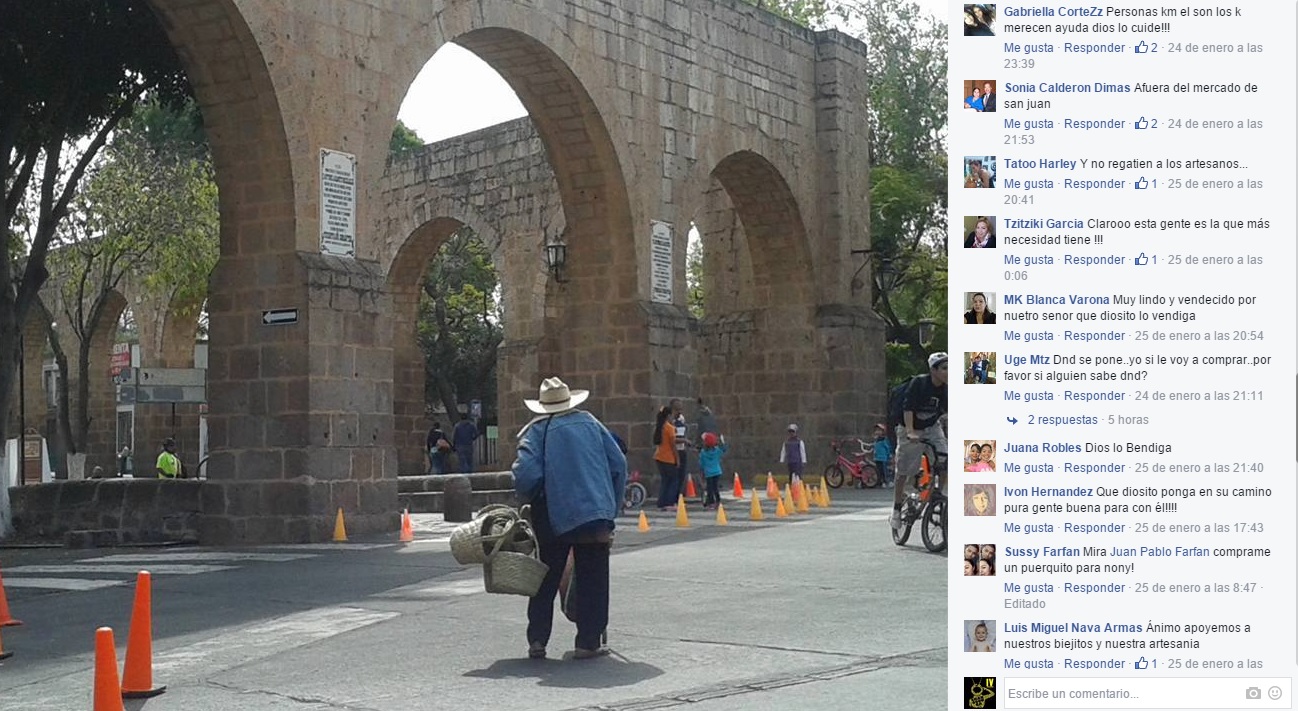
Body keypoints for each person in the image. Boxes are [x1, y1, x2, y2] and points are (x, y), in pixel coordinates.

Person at [512, 377, 626, 661]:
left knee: (545, 576)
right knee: (593, 576)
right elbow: (619, 465)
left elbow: (526, 475)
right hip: (594, 511)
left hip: (551, 513)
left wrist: (528, 497)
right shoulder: (591, 423)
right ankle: (588, 642)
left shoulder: (536, 431)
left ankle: (537, 639)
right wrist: (611, 504)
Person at [891, 353, 949, 534]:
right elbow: (908, 408)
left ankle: (938, 493)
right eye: (944, 368)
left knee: (944, 457)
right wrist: (910, 431)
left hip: (932, 427)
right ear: (933, 370)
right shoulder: (919, 383)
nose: (949, 372)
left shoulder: (948, 389)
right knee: (904, 471)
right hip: (910, 427)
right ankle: (897, 508)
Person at [653, 405, 681, 510]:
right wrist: (677, 459)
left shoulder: (660, 427)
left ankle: (662, 501)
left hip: (659, 457)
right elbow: (673, 446)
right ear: (669, 415)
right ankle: (669, 502)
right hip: (668, 458)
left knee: (665, 480)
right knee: (674, 480)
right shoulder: (670, 428)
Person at [697, 432, 728, 509]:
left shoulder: (703, 453)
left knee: (709, 488)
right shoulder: (717, 451)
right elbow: (724, 449)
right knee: (715, 488)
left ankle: (711, 502)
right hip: (717, 471)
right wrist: (723, 442)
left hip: (708, 473)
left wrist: (701, 472)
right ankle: (718, 501)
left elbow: (701, 464)